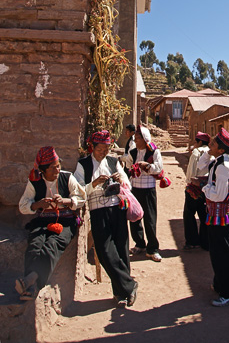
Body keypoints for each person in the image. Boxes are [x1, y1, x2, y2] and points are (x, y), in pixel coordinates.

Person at [74, 130, 138, 308]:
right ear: (92, 147)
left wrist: (121, 180)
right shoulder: (83, 165)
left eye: (106, 149)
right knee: (104, 251)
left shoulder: (113, 162)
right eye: (100, 149)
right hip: (98, 212)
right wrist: (93, 184)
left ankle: (121, 293)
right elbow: (78, 191)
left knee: (121, 249)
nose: (103, 152)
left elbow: (128, 184)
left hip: (116, 209)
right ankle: (129, 284)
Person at [16, 146, 86, 300]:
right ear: (43, 170)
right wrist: (37, 204)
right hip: (43, 220)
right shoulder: (35, 181)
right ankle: (31, 286)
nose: (57, 170)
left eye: (58, 165)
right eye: (53, 168)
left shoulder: (67, 178)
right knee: (35, 244)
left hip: (66, 221)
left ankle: (30, 281)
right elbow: (23, 205)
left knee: (53, 243)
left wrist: (66, 201)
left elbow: (82, 198)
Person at [197, 127, 229, 307]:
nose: (210, 145)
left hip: (220, 214)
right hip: (216, 213)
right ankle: (220, 283)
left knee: (223, 254)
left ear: (221, 149)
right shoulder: (219, 160)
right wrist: (207, 154)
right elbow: (200, 166)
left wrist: (204, 188)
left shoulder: (222, 166)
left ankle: (228, 292)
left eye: (213, 144)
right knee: (217, 251)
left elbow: (219, 195)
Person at [124, 125, 163, 262]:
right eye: (135, 137)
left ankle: (152, 249)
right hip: (135, 189)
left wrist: (146, 166)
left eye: (139, 137)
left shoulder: (154, 152)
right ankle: (140, 243)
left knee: (150, 220)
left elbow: (158, 169)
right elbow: (128, 166)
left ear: (145, 139)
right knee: (134, 218)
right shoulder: (133, 152)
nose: (136, 139)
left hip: (148, 190)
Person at [183, 132, 210, 251]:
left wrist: (189, 182)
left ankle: (192, 241)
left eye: (195, 141)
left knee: (189, 214)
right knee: (204, 215)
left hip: (195, 187)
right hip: (207, 187)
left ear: (199, 142)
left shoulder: (196, 152)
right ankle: (205, 242)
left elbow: (191, 171)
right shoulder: (211, 152)